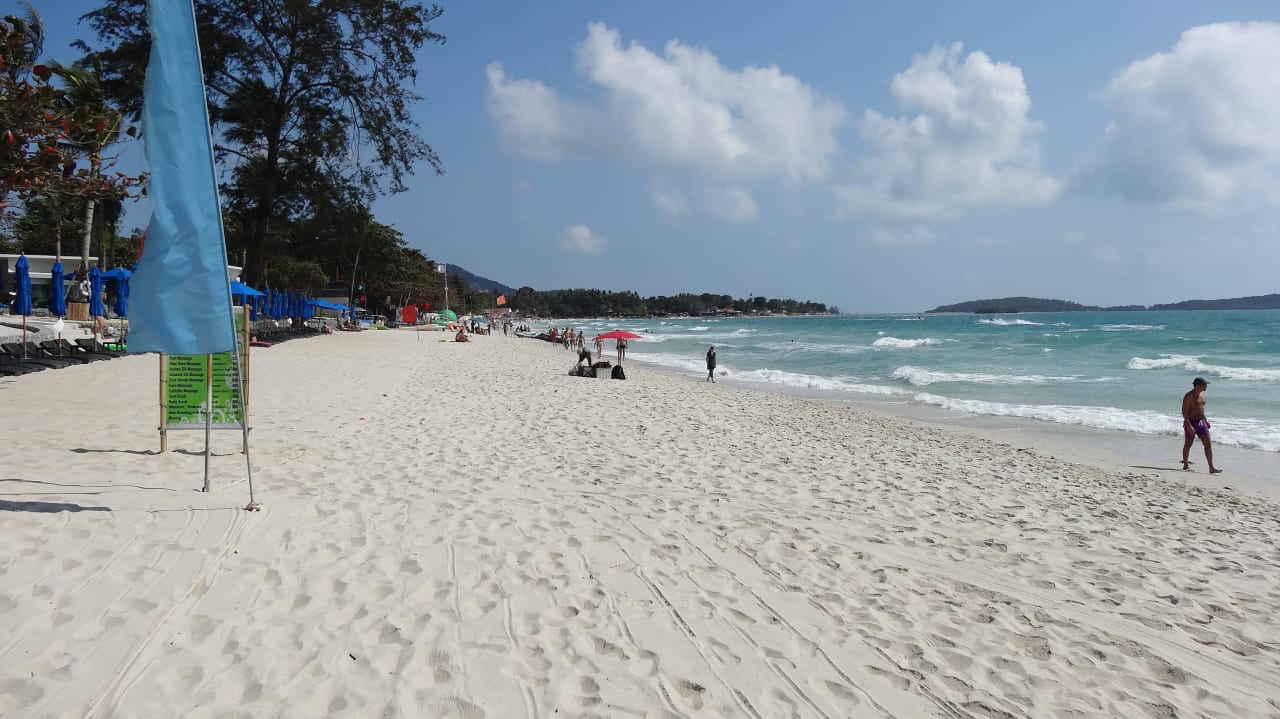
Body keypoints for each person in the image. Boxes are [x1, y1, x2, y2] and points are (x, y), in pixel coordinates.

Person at [1181, 377, 1221, 474]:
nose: (1206, 386)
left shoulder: (1202, 394)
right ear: (1198, 385)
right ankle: (1185, 465)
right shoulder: (1189, 396)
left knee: (1208, 444)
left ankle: (1211, 467)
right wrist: (1188, 425)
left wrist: (1206, 421)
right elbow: (1184, 412)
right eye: (1204, 384)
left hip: (1201, 422)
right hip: (1191, 422)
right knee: (1188, 444)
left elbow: (1201, 409)